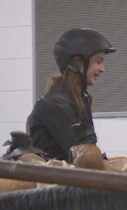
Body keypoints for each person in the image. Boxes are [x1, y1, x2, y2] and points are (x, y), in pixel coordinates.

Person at [26, 28, 115, 161]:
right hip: (55, 179)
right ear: (79, 63)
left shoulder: (79, 99)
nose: (102, 68)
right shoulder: (56, 104)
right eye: (98, 61)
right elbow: (82, 156)